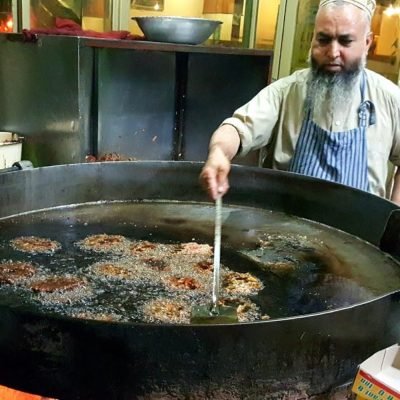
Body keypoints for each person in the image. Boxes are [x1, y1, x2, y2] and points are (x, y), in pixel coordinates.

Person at [200, 0, 400, 205]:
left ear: (367, 43)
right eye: (324, 40)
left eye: (345, 41)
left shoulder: (390, 99)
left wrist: (394, 218)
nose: (332, 52)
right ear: (313, 39)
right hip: (286, 229)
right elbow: (237, 128)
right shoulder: (286, 93)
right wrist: (218, 153)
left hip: (359, 233)